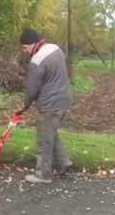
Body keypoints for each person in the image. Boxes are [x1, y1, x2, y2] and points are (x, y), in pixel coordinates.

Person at [15, 28, 73, 183]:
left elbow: (32, 88)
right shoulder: (56, 49)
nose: (25, 51)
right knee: (51, 133)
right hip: (64, 99)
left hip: (50, 104)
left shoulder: (37, 60)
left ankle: (43, 174)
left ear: (32, 44)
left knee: (44, 140)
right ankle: (64, 162)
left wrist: (24, 105)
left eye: (25, 47)